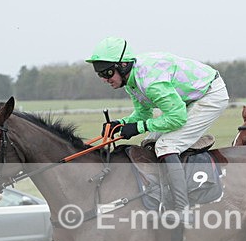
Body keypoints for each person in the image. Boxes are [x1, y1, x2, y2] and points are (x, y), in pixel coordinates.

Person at [86, 37, 230, 225]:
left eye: (107, 72)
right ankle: (164, 192)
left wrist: (137, 127)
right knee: (149, 143)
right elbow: (143, 113)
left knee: (165, 146)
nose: (105, 79)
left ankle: (183, 209)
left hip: (210, 95)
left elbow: (177, 117)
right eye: (100, 75)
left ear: (122, 65)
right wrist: (121, 123)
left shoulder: (150, 82)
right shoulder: (131, 80)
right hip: (187, 99)